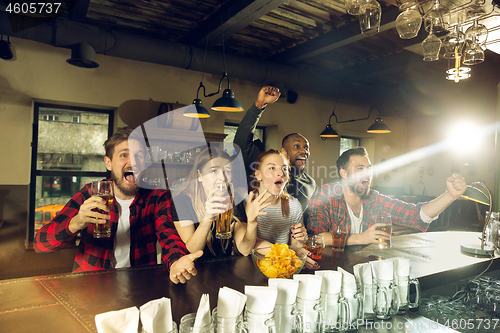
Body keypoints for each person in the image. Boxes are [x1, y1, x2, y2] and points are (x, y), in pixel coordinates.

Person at [34, 128, 200, 284]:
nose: (133, 162)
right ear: (108, 163)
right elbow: (41, 244)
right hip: (90, 286)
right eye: (124, 155)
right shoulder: (90, 193)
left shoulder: (156, 196)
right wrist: (76, 222)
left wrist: (177, 260)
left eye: (139, 156)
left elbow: (168, 236)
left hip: (139, 285)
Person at [307, 147, 468, 246]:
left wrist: (450, 195)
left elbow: (415, 215)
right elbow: (317, 239)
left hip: (366, 271)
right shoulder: (325, 194)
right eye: (360, 168)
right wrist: (360, 238)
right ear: (343, 173)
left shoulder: (374, 198)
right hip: (331, 275)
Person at [233, 86, 316, 223]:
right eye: (297, 146)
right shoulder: (266, 169)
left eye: (306, 148)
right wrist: (259, 106)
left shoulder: (310, 183)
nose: (304, 151)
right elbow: (241, 144)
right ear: (283, 151)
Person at [172, 146, 271, 259]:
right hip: (194, 269)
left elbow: (245, 249)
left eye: (227, 171)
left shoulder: (235, 200)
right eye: (214, 171)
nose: (222, 178)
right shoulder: (182, 201)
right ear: (199, 175)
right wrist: (208, 219)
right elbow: (192, 251)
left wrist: (252, 222)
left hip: (224, 268)